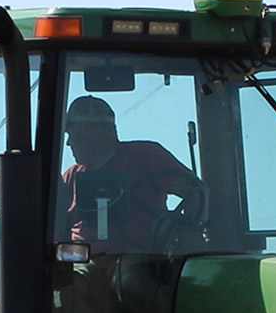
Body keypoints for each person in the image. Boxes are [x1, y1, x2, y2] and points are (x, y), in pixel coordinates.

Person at [59, 94, 197, 251]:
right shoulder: (71, 177)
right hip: (83, 259)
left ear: (91, 132)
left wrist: (190, 239)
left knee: (132, 275)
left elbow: (196, 193)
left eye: (72, 134)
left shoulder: (146, 156)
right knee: (69, 275)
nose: (68, 142)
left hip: (141, 259)